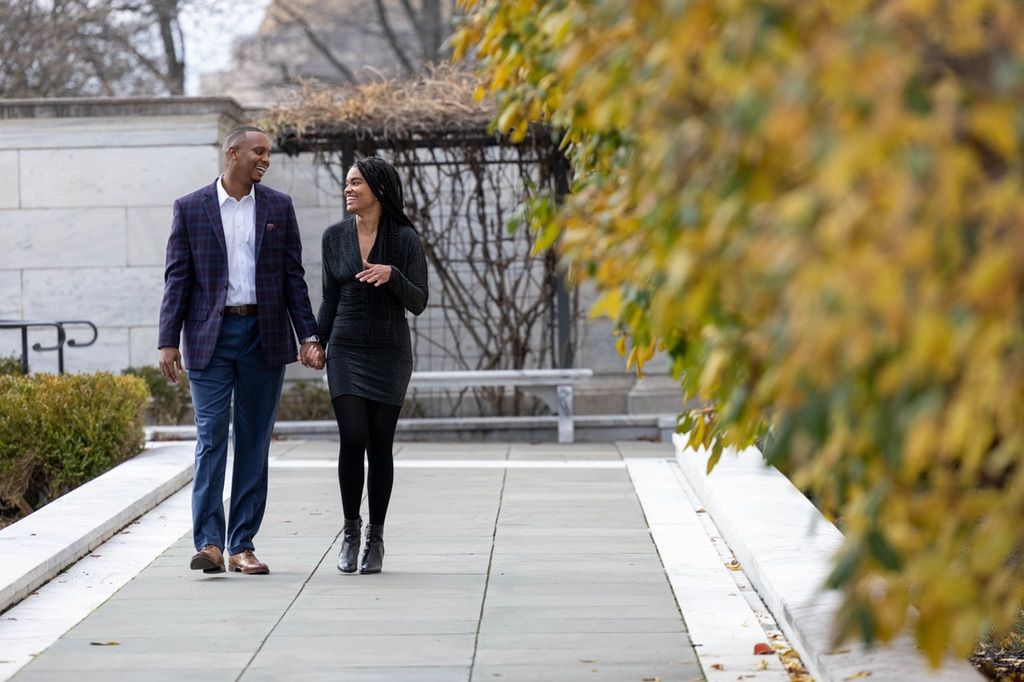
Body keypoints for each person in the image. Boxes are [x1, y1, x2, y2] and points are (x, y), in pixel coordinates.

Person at [158, 124, 324, 576]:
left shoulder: (278, 207)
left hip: (264, 335)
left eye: (267, 153)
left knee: (253, 441)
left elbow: (294, 277)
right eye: (258, 151)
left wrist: (308, 335)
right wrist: (167, 339)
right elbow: (178, 278)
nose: (265, 159)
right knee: (211, 438)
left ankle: (242, 545)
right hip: (210, 338)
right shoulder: (190, 208)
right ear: (233, 153)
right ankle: (209, 543)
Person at [317, 156, 428, 574]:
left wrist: (392, 275)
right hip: (345, 349)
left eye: (356, 182)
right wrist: (316, 340)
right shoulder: (333, 238)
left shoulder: (404, 239)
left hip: (390, 352)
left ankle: (375, 539)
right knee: (353, 437)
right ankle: (349, 532)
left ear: (379, 189)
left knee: (380, 445)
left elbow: (418, 302)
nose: (348, 189)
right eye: (346, 182)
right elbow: (330, 298)